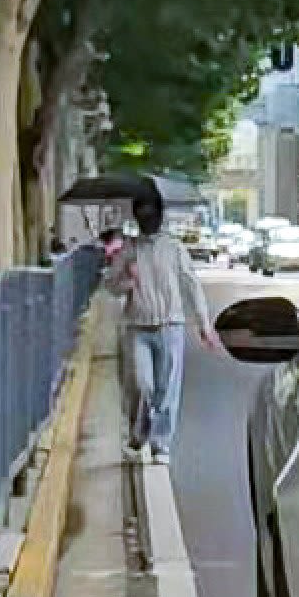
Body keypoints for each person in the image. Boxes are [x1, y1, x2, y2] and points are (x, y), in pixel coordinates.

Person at [105, 185, 219, 464]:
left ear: (159, 214)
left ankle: (161, 444)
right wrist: (127, 280)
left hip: (170, 325)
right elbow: (110, 285)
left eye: (151, 212)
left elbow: (192, 285)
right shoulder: (129, 250)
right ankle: (138, 434)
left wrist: (204, 324)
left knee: (166, 388)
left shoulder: (174, 248)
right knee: (141, 385)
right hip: (137, 327)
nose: (147, 218)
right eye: (141, 212)